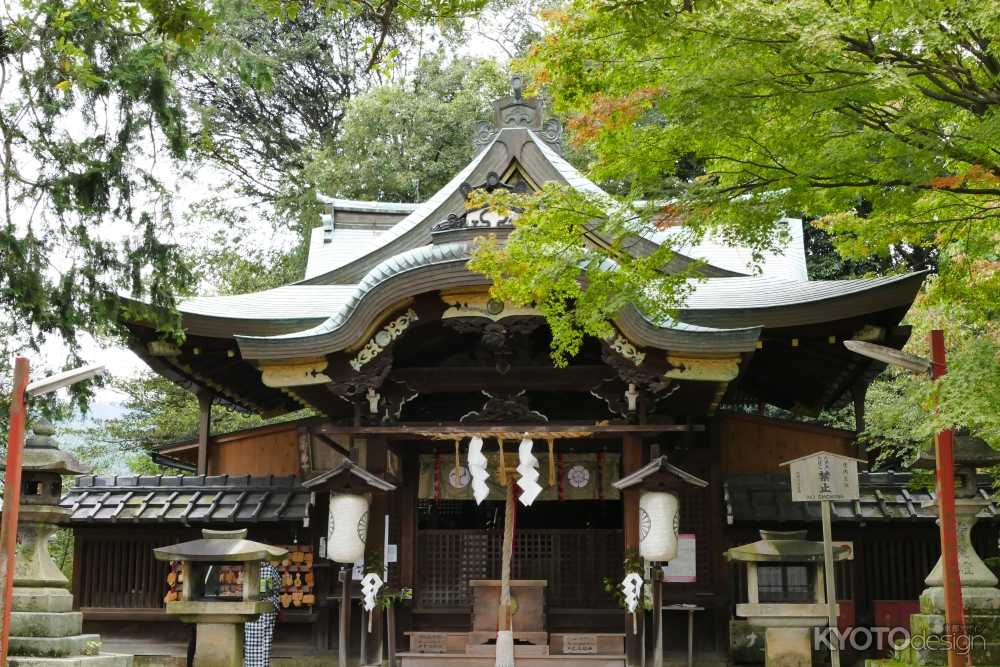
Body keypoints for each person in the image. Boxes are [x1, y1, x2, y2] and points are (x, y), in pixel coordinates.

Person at [245, 560, 282, 667]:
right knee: (264, 639)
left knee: (251, 640)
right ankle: (262, 664)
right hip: (266, 606)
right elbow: (278, 585)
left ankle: (251, 664)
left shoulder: (249, 569)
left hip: (251, 607)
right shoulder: (270, 569)